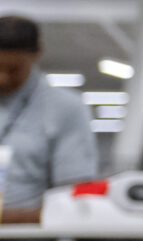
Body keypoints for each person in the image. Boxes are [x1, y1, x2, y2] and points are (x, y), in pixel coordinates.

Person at [0, 15, 96, 220]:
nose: (3, 78)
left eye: (13, 69)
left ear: (37, 53)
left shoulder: (66, 108)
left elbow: (73, 198)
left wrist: (14, 219)